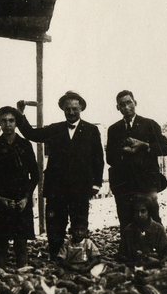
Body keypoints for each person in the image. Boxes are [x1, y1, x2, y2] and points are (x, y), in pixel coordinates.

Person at [16, 91, 105, 260]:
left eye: (74, 109)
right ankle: (56, 256)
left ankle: (80, 256)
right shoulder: (55, 129)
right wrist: (20, 115)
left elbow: (98, 159)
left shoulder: (91, 130)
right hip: (57, 187)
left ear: (81, 109)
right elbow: (31, 134)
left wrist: (96, 184)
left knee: (79, 222)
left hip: (81, 187)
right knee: (55, 223)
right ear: (62, 109)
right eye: (67, 109)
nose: (71, 112)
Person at [0, 106, 39, 269]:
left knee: (21, 241)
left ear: (16, 123)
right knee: (1, 241)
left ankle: (23, 272)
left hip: (22, 199)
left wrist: (26, 198)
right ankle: (0, 274)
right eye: (4, 121)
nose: (7, 124)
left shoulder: (26, 145)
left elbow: (35, 175)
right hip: (1, 199)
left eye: (11, 120)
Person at [106, 90, 167, 228]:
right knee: (125, 216)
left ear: (135, 103)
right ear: (118, 108)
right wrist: (123, 151)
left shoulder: (150, 124)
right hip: (124, 181)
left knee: (152, 213)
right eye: (122, 104)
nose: (126, 107)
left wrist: (144, 145)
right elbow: (110, 158)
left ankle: (158, 245)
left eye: (129, 102)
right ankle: (128, 247)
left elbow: (165, 148)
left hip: (147, 179)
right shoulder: (113, 129)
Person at [116, 195, 167, 269]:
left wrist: (160, 262)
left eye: (143, 211)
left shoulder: (157, 228)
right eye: (136, 211)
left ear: (148, 212)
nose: (139, 215)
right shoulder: (128, 230)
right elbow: (120, 255)